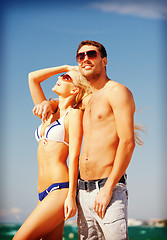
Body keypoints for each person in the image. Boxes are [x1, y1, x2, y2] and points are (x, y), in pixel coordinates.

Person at [33, 40, 137, 240]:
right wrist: (49, 102)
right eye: (81, 56)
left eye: (91, 54)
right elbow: (63, 102)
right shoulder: (82, 98)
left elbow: (127, 143)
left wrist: (107, 189)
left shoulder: (117, 92)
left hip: (109, 189)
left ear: (104, 60)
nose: (85, 59)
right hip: (82, 192)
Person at [13, 65, 91, 240]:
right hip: (42, 192)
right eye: (62, 76)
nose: (60, 78)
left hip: (59, 189)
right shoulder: (47, 113)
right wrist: (64, 67)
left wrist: (71, 196)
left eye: (66, 77)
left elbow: (74, 157)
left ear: (75, 90)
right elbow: (32, 77)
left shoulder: (74, 115)